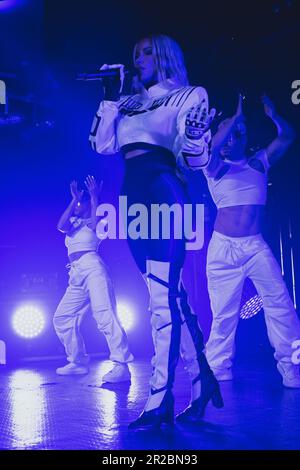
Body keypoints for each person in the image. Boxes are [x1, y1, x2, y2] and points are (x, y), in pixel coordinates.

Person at [89, 34, 223, 428]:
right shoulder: (128, 102)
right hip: (132, 194)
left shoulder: (187, 95)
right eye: (135, 54)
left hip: (164, 189)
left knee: (162, 300)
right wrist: (110, 98)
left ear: (164, 55)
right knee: (165, 294)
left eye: (147, 52)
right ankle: (202, 381)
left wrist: (197, 138)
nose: (139, 59)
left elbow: (196, 159)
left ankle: (160, 397)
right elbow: (101, 145)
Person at [203, 94, 300, 387]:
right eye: (227, 133)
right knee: (223, 314)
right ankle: (218, 367)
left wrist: (273, 115)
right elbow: (215, 145)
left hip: (254, 246)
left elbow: (287, 136)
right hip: (223, 250)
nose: (231, 137)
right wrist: (234, 117)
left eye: (237, 132)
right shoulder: (214, 167)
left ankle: (291, 366)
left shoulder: (259, 163)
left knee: (280, 304)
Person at [53, 175, 134, 382]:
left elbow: (95, 222)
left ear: (90, 206)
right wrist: (74, 199)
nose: (78, 206)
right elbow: (60, 226)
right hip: (76, 273)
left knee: (104, 314)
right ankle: (78, 361)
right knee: (62, 317)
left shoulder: (96, 221)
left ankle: (121, 364)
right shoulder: (73, 223)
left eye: (81, 203)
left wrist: (94, 196)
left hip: (93, 268)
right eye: (76, 203)